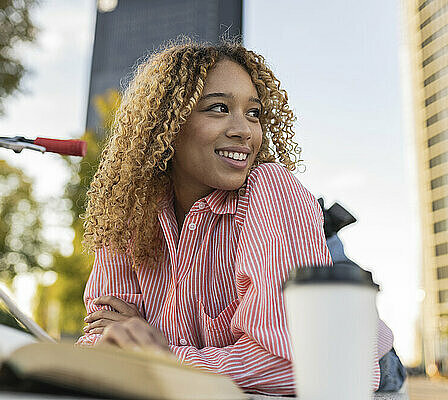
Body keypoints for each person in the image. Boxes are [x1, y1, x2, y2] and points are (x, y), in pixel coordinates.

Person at [76, 39, 395, 396]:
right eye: (218, 108)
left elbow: (301, 364)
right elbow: (100, 342)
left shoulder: (271, 191)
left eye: (254, 112)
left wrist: (161, 355)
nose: (245, 130)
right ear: (166, 125)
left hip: (362, 379)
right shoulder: (127, 214)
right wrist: (139, 353)